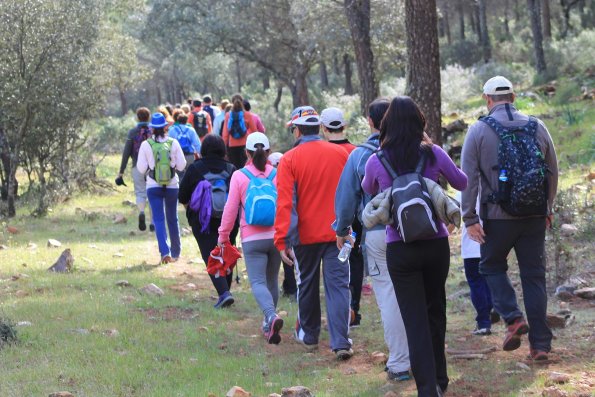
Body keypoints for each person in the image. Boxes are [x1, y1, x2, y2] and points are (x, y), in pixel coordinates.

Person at [362, 96, 467, 396]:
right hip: (436, 245)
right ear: (420, 122)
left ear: (386, 125)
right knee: (436, 310)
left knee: (414, 318)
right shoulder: (433, 153)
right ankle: (440, 380)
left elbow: (367, 188)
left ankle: (426, 388)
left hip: (400, 247)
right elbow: (461, 183)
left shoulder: (377, 159)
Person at [461, 76, 558, 361]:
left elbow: (469, 179)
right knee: (534, 277)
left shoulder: (478, 130)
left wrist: (470, 218)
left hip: (496, 217)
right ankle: (540, 345)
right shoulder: (538, 126)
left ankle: (513, 318)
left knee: (490, 266)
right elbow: (552, 170)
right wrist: (548, 208)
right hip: (534, 216)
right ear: (513, 97)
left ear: (487, 99)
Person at [334, 98, 411, 381]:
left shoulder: (360, 155)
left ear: (370, 122)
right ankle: (423, 356)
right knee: (415, 295)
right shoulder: (415, 148)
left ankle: (400, 362)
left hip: (379, 233)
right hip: (417, 232)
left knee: (389, 297)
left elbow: (346, 198)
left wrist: (342, 230)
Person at [274, 106, 352, 360]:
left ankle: (309, 337)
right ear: (319, 127)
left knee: (306, 285)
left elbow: (285, 203)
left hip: (304, 238)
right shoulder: (340, 154)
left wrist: (282, 239)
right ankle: (341, 342)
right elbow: (350, 194)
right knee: (338, 286)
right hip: (337, 235)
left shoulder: (289, 159)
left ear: (296, 130)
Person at [218, 132, 283, 343]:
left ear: (246, 152)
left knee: (257, 281)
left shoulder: (239, 175)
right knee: (272, 280)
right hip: (276, 236)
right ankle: (268, 321)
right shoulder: (277, 174)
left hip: (252, 238)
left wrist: (223, 236)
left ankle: (271, 316)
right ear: (269, 152)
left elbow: (230, 209)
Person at [179, 134, 238, 309]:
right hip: (229, 219)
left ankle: (224, 293)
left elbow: (182, 196)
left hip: (202, 221)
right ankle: (226, 290)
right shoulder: (231, 168)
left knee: (210, 254)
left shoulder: (195, 168)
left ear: (204, 149)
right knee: (227, 250)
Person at [321, 106, 364, 327]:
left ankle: (338, 310)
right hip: (356, 214)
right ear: (344, 126)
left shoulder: (320, 153)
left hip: (328, 215)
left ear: (322, 128)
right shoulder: (357, 151)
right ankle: (353, 308)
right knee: (355, 260)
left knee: (332, 264)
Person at [136, 112, 186, 264]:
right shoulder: (173, 143)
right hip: (172, 185)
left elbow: (141, 169)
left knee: (158, 219)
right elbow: (182, 165)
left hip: (153, 186)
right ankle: (176, 252)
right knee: (172, 218)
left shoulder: (146, 145)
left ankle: (165, 252)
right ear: (165, 127)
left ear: (151, 128)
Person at [454, 191, 499, 336]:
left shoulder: (463, 192)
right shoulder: (492, 185)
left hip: (472, 247)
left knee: (476, 284)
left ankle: (483, 323)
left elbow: (451, 217)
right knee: (489, 281)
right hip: (492, 245)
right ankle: (492, 307)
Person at [117, 107, 154, 232]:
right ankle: (153, 222)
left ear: (137, 117)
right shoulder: (153, 131)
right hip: (152, 167)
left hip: (137, 166)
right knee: (153, 193)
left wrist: (121, 172)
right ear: (149, 117)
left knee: (140, 192)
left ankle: (142, 212)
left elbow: (126, 152)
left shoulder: (132, 132)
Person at [268, 151, 296, 300]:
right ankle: (291, 287)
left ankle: (289, 287)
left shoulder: (267, 177)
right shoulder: (289, 176)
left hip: (271, 224)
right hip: (291, 221)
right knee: (290, 256)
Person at [222, 94, 258, 169]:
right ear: (242, 102)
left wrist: (224, 147)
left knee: (235, 168)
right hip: (245, 145)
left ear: (232, 103)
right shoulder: (247, 114)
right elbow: (254, 131)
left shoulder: (228, 115)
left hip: (232, 146)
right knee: (246, 167)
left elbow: (225, 133)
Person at [168, 112, 201, 178]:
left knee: (179, 175)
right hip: (189, 156)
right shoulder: (191, 130)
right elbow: (197, 143)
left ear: (178, 120)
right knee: (190, 175)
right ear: (187, 120)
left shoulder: (172, 129)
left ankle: (180, 187)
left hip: (177, 156)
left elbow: (168, 144)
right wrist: (200, 154)